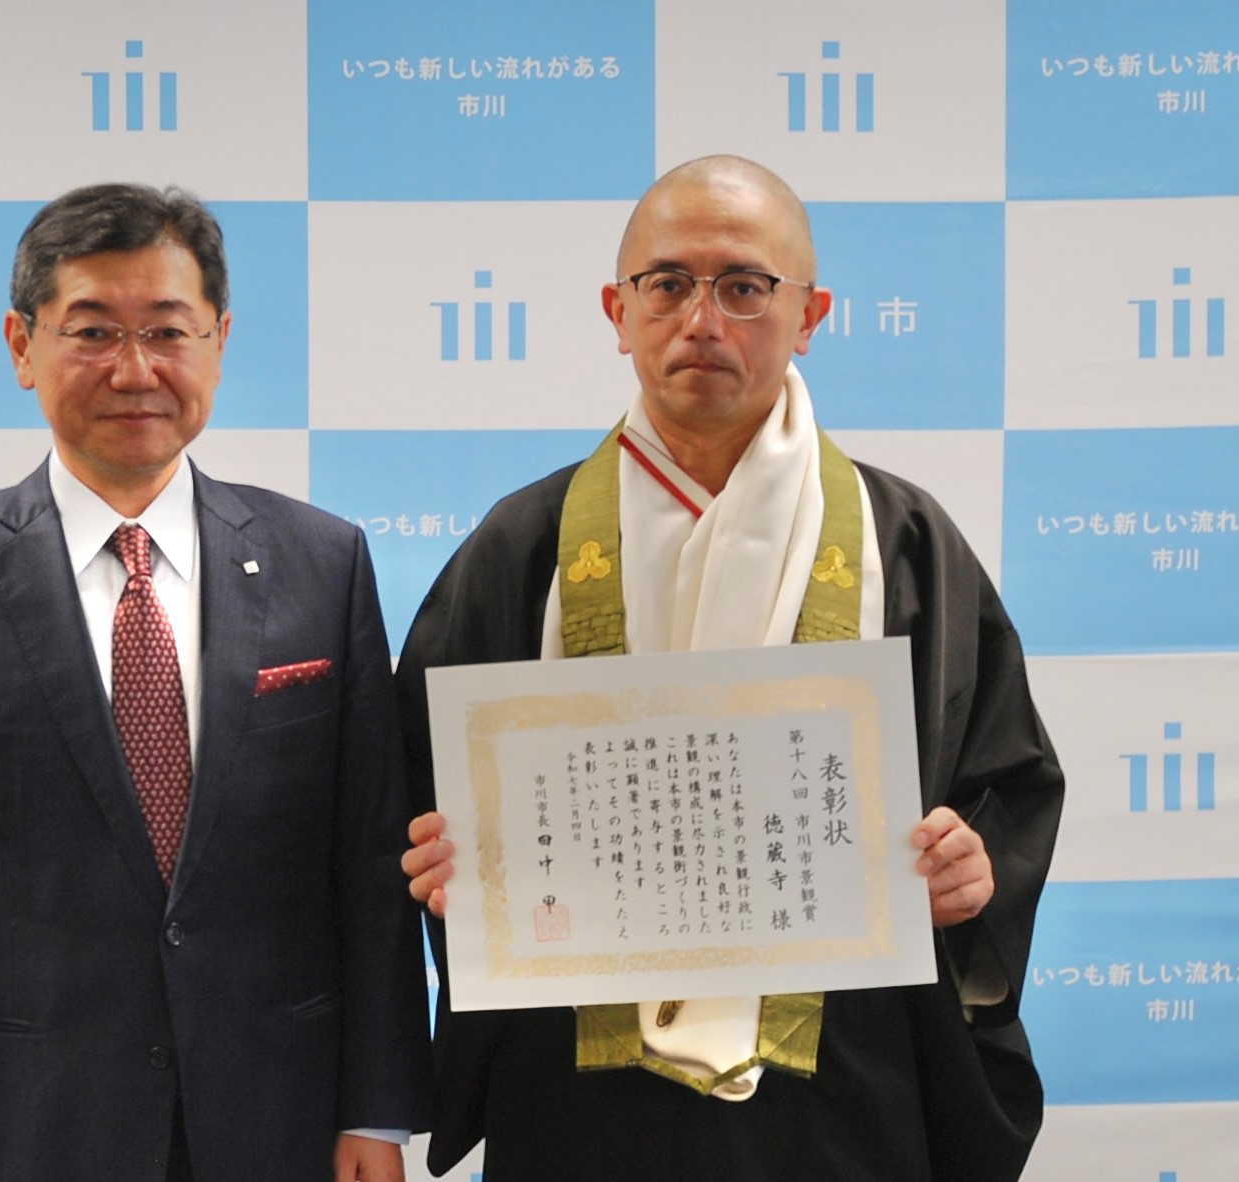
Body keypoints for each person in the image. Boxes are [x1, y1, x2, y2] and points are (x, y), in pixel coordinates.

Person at [397, 156, 1064, 1181]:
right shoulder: (523, 545)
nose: (701, 320)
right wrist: (453, 871)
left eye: (745, 287)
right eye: (666, 284)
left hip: (841, 1080)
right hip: (580, 1089)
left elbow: (1005, 786)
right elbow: (420, 786)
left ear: (810, 315)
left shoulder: (906, 546)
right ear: (617, 311)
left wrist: (970, 872)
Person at [0, 183, 431, 1182]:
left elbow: (369, 869)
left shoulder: (322, 564)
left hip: (279, 1117)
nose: (134, 370)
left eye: (167, 331)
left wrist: (376, 1110)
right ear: (21, 347)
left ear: (219, 341)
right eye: (93, 332)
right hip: (26, 1126)